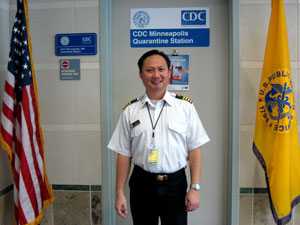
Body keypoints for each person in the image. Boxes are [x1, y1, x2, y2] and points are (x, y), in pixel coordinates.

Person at [108, 49, 210, 225]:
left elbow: (195, 149)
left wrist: (195, 188)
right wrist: (119, 192)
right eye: (149, 70)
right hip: (141, 184)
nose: (156, 75)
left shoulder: (185, 108)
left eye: (161, 69)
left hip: (175, 184)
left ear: (169, 73)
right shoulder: (130, 111)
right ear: (141, 75)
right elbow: (123, 154)